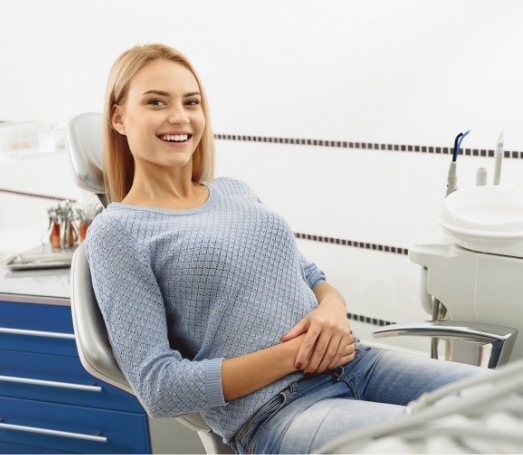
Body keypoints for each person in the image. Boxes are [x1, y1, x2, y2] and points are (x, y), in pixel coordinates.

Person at [85, 43, 485, 454]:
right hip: (277, 411)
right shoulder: (117, 231)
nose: (179, 116)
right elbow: (160, 388)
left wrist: (333, 311)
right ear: (118, 117)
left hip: (357, 364)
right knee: (444, 444)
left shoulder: (234, 191)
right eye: (156, 102)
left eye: (191, 102)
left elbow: (311, 278)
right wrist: (297, 355)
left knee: (505, 404)